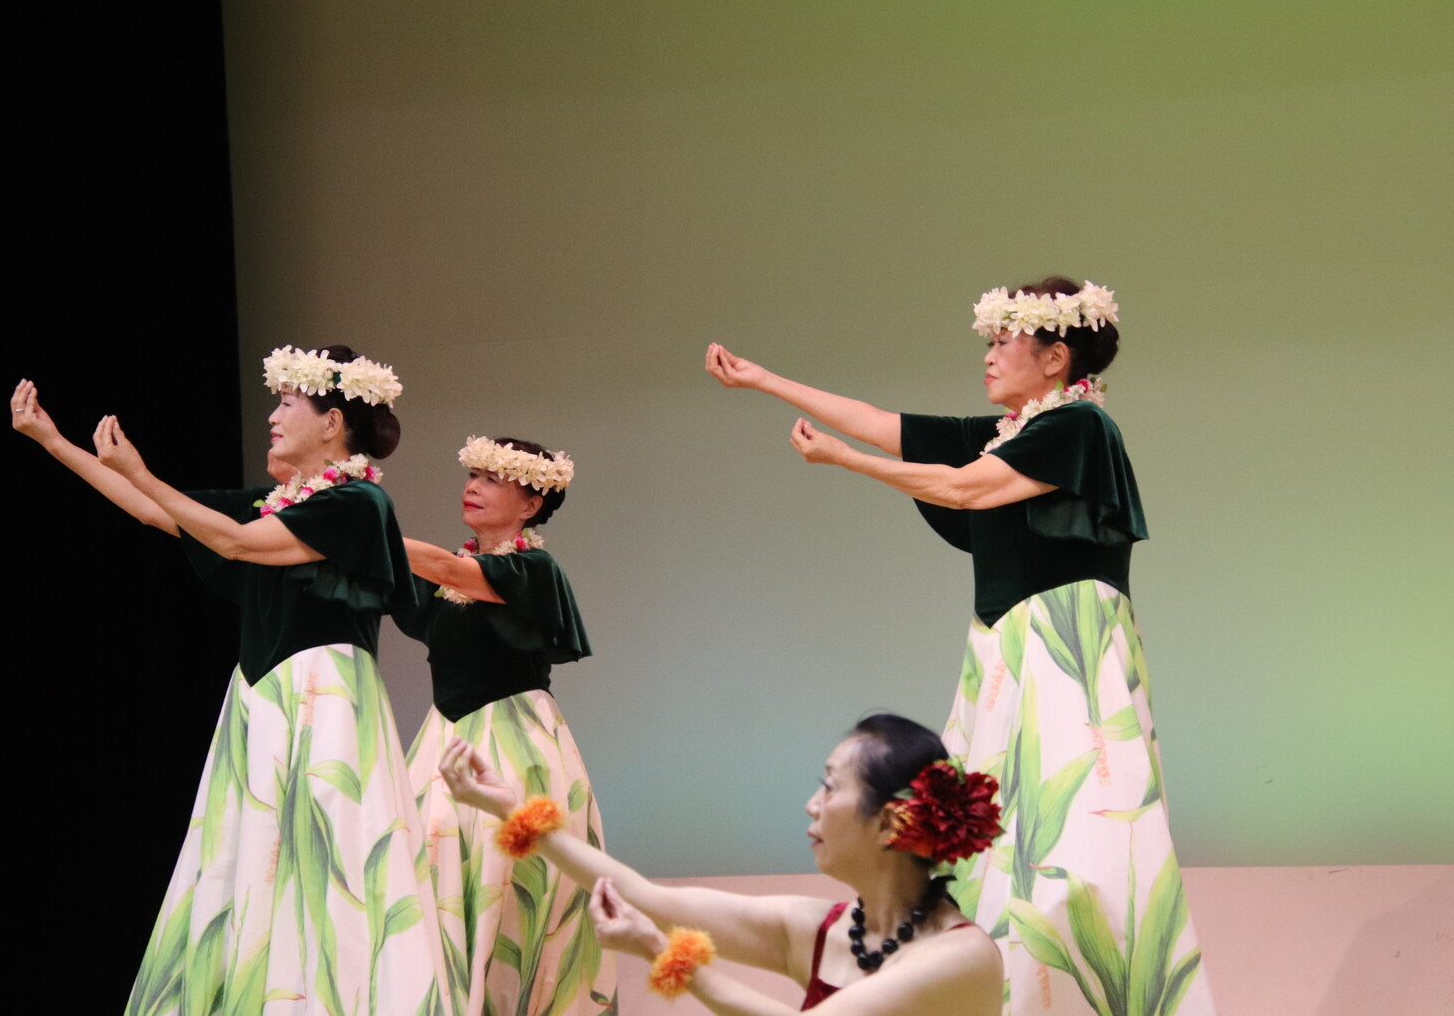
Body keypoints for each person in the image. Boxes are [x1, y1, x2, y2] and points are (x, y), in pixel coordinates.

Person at [705, 279, 1217, 1015]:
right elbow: (881, 424)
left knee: (1079, 830)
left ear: (1056, 358)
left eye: (1004, 340)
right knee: (996, 835)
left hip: (1064, 641)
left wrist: (847, 461)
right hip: (1005, 646)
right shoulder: (1013, 431)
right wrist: (764, 380)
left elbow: (965, 490)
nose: (989, 355)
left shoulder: (1078, 426)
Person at [12, 345, 446, 1016]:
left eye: (287, 403)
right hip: (261, 698)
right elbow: (159, 512)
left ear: (333, 422)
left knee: (328, 860)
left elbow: (235, 542)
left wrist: (144, 472)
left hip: (324, 701)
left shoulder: (359, 502)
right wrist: (54, 442)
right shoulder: (275, 504)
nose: (273, 416)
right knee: (250, 863)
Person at [440, 712, 1004, 1015]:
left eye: (831, 787)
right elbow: (650, 900)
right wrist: (511, 810)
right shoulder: (820, 930)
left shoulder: (960, 957)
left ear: (889, 824)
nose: (812, 805)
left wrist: (663, 953)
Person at [396, 436, 616, 1015]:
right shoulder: (452, 570)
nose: (472, 487)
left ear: (531, 504)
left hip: (513, 742)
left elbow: (449, 569)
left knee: (511, 886)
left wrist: (359, 523)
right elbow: (425, 575)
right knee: (433, 881)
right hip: (446, 738)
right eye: (472, 475)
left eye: (492, 479)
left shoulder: (532, 569)